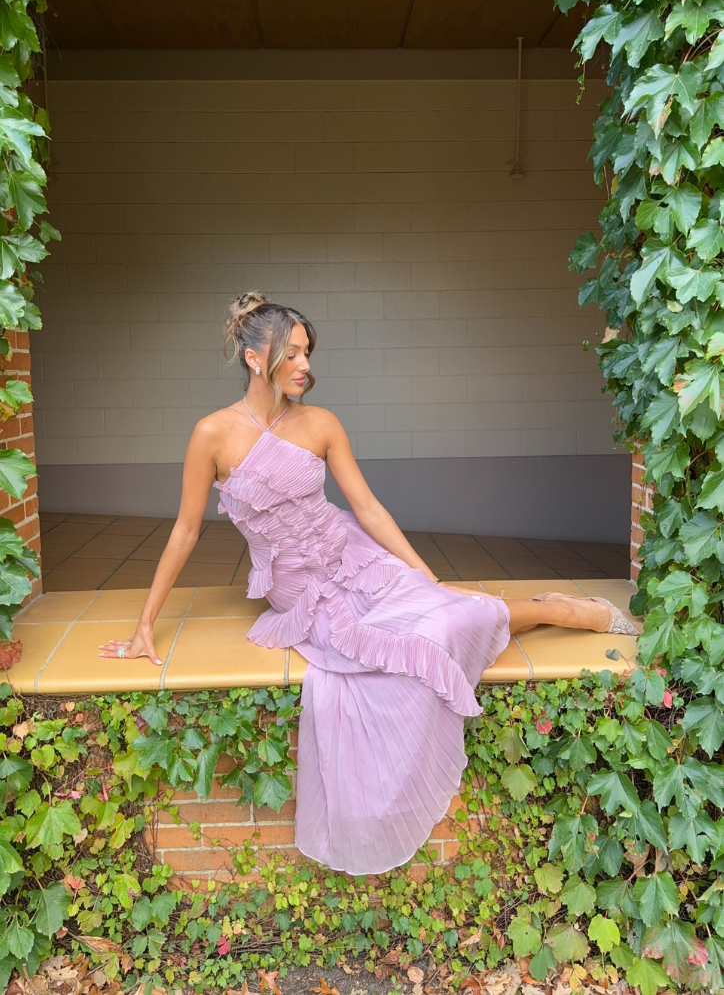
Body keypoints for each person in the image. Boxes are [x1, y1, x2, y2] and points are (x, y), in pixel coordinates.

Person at [98, 292, 637, 875]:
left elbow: (368, 507)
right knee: (391, 655)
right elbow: (184, 531)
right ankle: (544, 608)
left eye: (307, 352)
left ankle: (563, 611)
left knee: (442, 617)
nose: (305, 364)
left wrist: (425, 577)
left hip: (351, 553)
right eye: (292, 353)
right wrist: (145, 623)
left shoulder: (321, 423)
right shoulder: (212, 433)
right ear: (255, 358)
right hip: (301, 591)